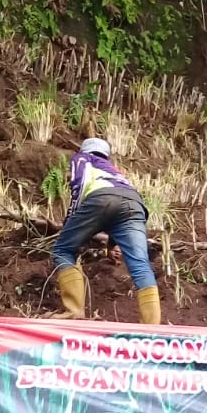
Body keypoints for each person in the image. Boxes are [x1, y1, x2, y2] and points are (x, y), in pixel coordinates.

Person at [53, 137, 161, 324]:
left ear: (85, 149)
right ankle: (152, 325)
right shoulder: (115, 171)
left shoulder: (83, 158)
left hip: (101, 200)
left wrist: (70, 220)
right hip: (134, 204)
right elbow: (119, 207)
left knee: (63, 249)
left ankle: (74, 312)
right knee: (140, 264)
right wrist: (113, 244)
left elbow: (80, 184)